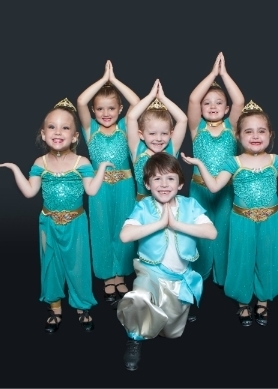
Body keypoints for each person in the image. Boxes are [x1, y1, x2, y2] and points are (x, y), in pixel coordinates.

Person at [181, 100, 278, 327]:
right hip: (241, 219)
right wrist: (199, 164)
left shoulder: (276, 161)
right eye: (248, 131)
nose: (255, 136)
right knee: (241, 258)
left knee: (268, 257)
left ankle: (263, 300)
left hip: (271, 220)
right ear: (238, 136)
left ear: (270, 135)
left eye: (261, 131)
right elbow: (213, 187)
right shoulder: (233, 162)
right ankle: (243, 302)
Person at [0, 99, 114, 333]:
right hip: (48, 222)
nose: (58, 132)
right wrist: (14, 169)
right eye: (52, 127)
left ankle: (83, 306)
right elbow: (30, 192)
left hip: (76, 222)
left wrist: (101, 168)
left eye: (65, 127)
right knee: (50, 264)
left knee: (78, 264)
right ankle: (55, 309)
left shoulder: (82, 162)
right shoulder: (39, 164)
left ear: (74, 136)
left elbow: (91, 190)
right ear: (43, 134)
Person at [117, 152, 217, 371]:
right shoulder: (144, 208)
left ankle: (173, 314)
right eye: (157, 179)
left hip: (178, 278)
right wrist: (160, 223)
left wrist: (176, 224)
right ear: (147, 184)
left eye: (170, 178)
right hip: (150, 272)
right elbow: (125, 236)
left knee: (172, 334)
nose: (164, 184)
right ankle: (134, 338)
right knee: (139, 296)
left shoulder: (190, 206)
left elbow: (211, 232)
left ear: (180, 183)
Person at [77, 60, 139, 304]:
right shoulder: (89, 128)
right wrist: (103, 79)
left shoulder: (126, 126)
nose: (106, 113)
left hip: (125, 185)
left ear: (120, 109)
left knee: (124, 228)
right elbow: (81, 101)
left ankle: (121, 275)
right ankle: (107, 277)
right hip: (99, 187)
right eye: (100, 109)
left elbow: (136, 102)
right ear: (93, 111)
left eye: (111, 108)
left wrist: (115, 81)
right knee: (102, 229)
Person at [187, 51, 245, 286]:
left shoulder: (232, 128)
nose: (212, 107)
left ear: (227, 108)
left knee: (224, 233)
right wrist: (212, 74)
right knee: (198, 235)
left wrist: (224, 74)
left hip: (226, 191)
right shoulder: (196, 128)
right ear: (200, 109)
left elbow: (240, 101)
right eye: (207, 103)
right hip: (199, 190)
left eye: (218, 102)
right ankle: (196, 278)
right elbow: (192, 99)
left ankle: (223, 277)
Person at [127, 78, 187, 201]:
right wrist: (151, 96)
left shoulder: (171, 148)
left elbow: (183, 120)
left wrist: (163, 98)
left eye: (164, 133)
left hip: (168, 204)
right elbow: (131, 117)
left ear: (171, 134)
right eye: (152, 133)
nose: (158, 139)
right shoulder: (137, 149)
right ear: (141, 134)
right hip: (143, 208)